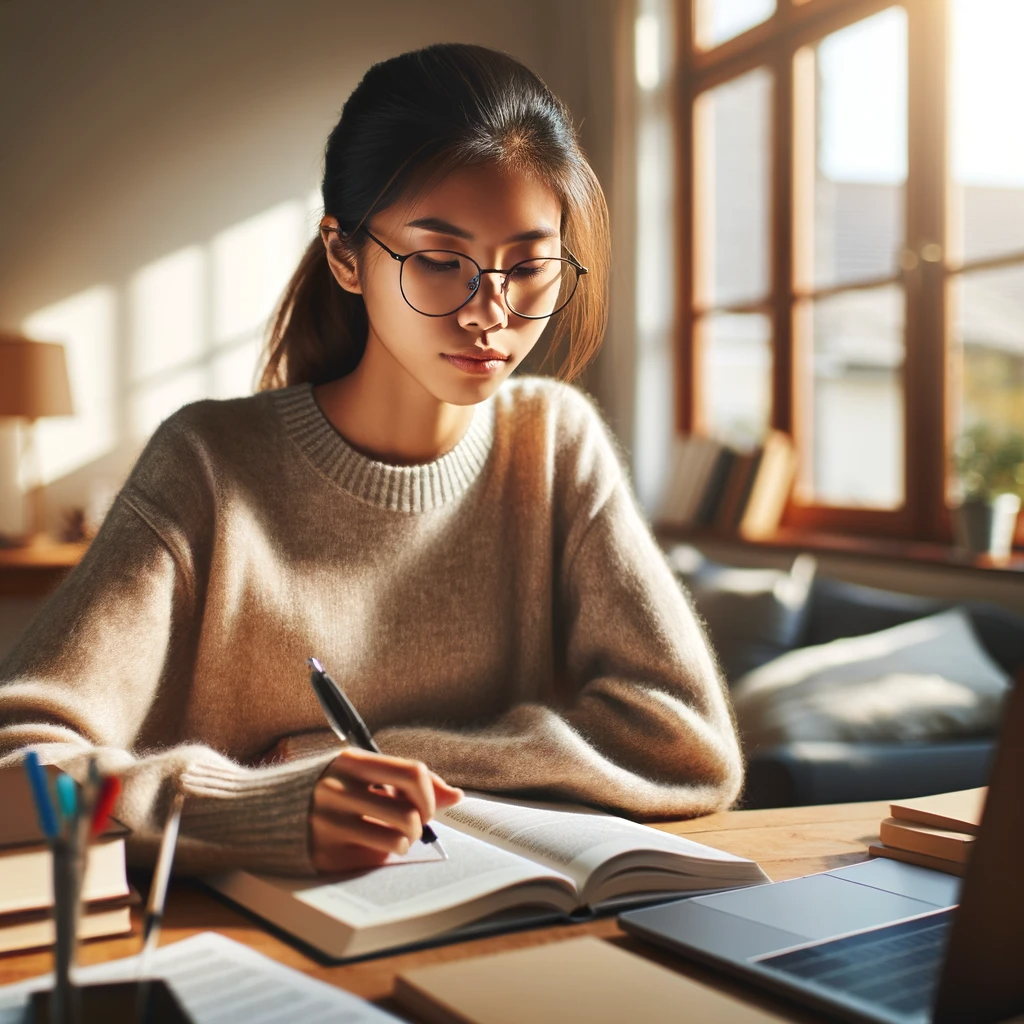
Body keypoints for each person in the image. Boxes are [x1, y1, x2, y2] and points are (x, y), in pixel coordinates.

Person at [0, 43, 742, 876]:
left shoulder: (555, 442)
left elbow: (690, 749)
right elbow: (18, 768)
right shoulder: (209, 463)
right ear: (345, 256)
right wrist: (250, 803)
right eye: (438, 262)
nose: (490, 314)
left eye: (529, 267)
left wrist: (359, 754)